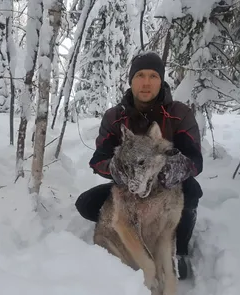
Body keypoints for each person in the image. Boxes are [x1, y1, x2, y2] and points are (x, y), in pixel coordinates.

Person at [75, 51, 203, 280]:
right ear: (131, 80)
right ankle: (129, 234)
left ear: (161, 81)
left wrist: (170, 169)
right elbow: (98, 160)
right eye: (140, 75)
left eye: (153, 76)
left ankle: (180, 249)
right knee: (86, 204)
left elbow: (195, 160)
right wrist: (117, 170)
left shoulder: (179, 113)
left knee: (192, 191)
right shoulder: (114, 117)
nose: (146, 82)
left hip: (166, 188)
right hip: (130, 187)